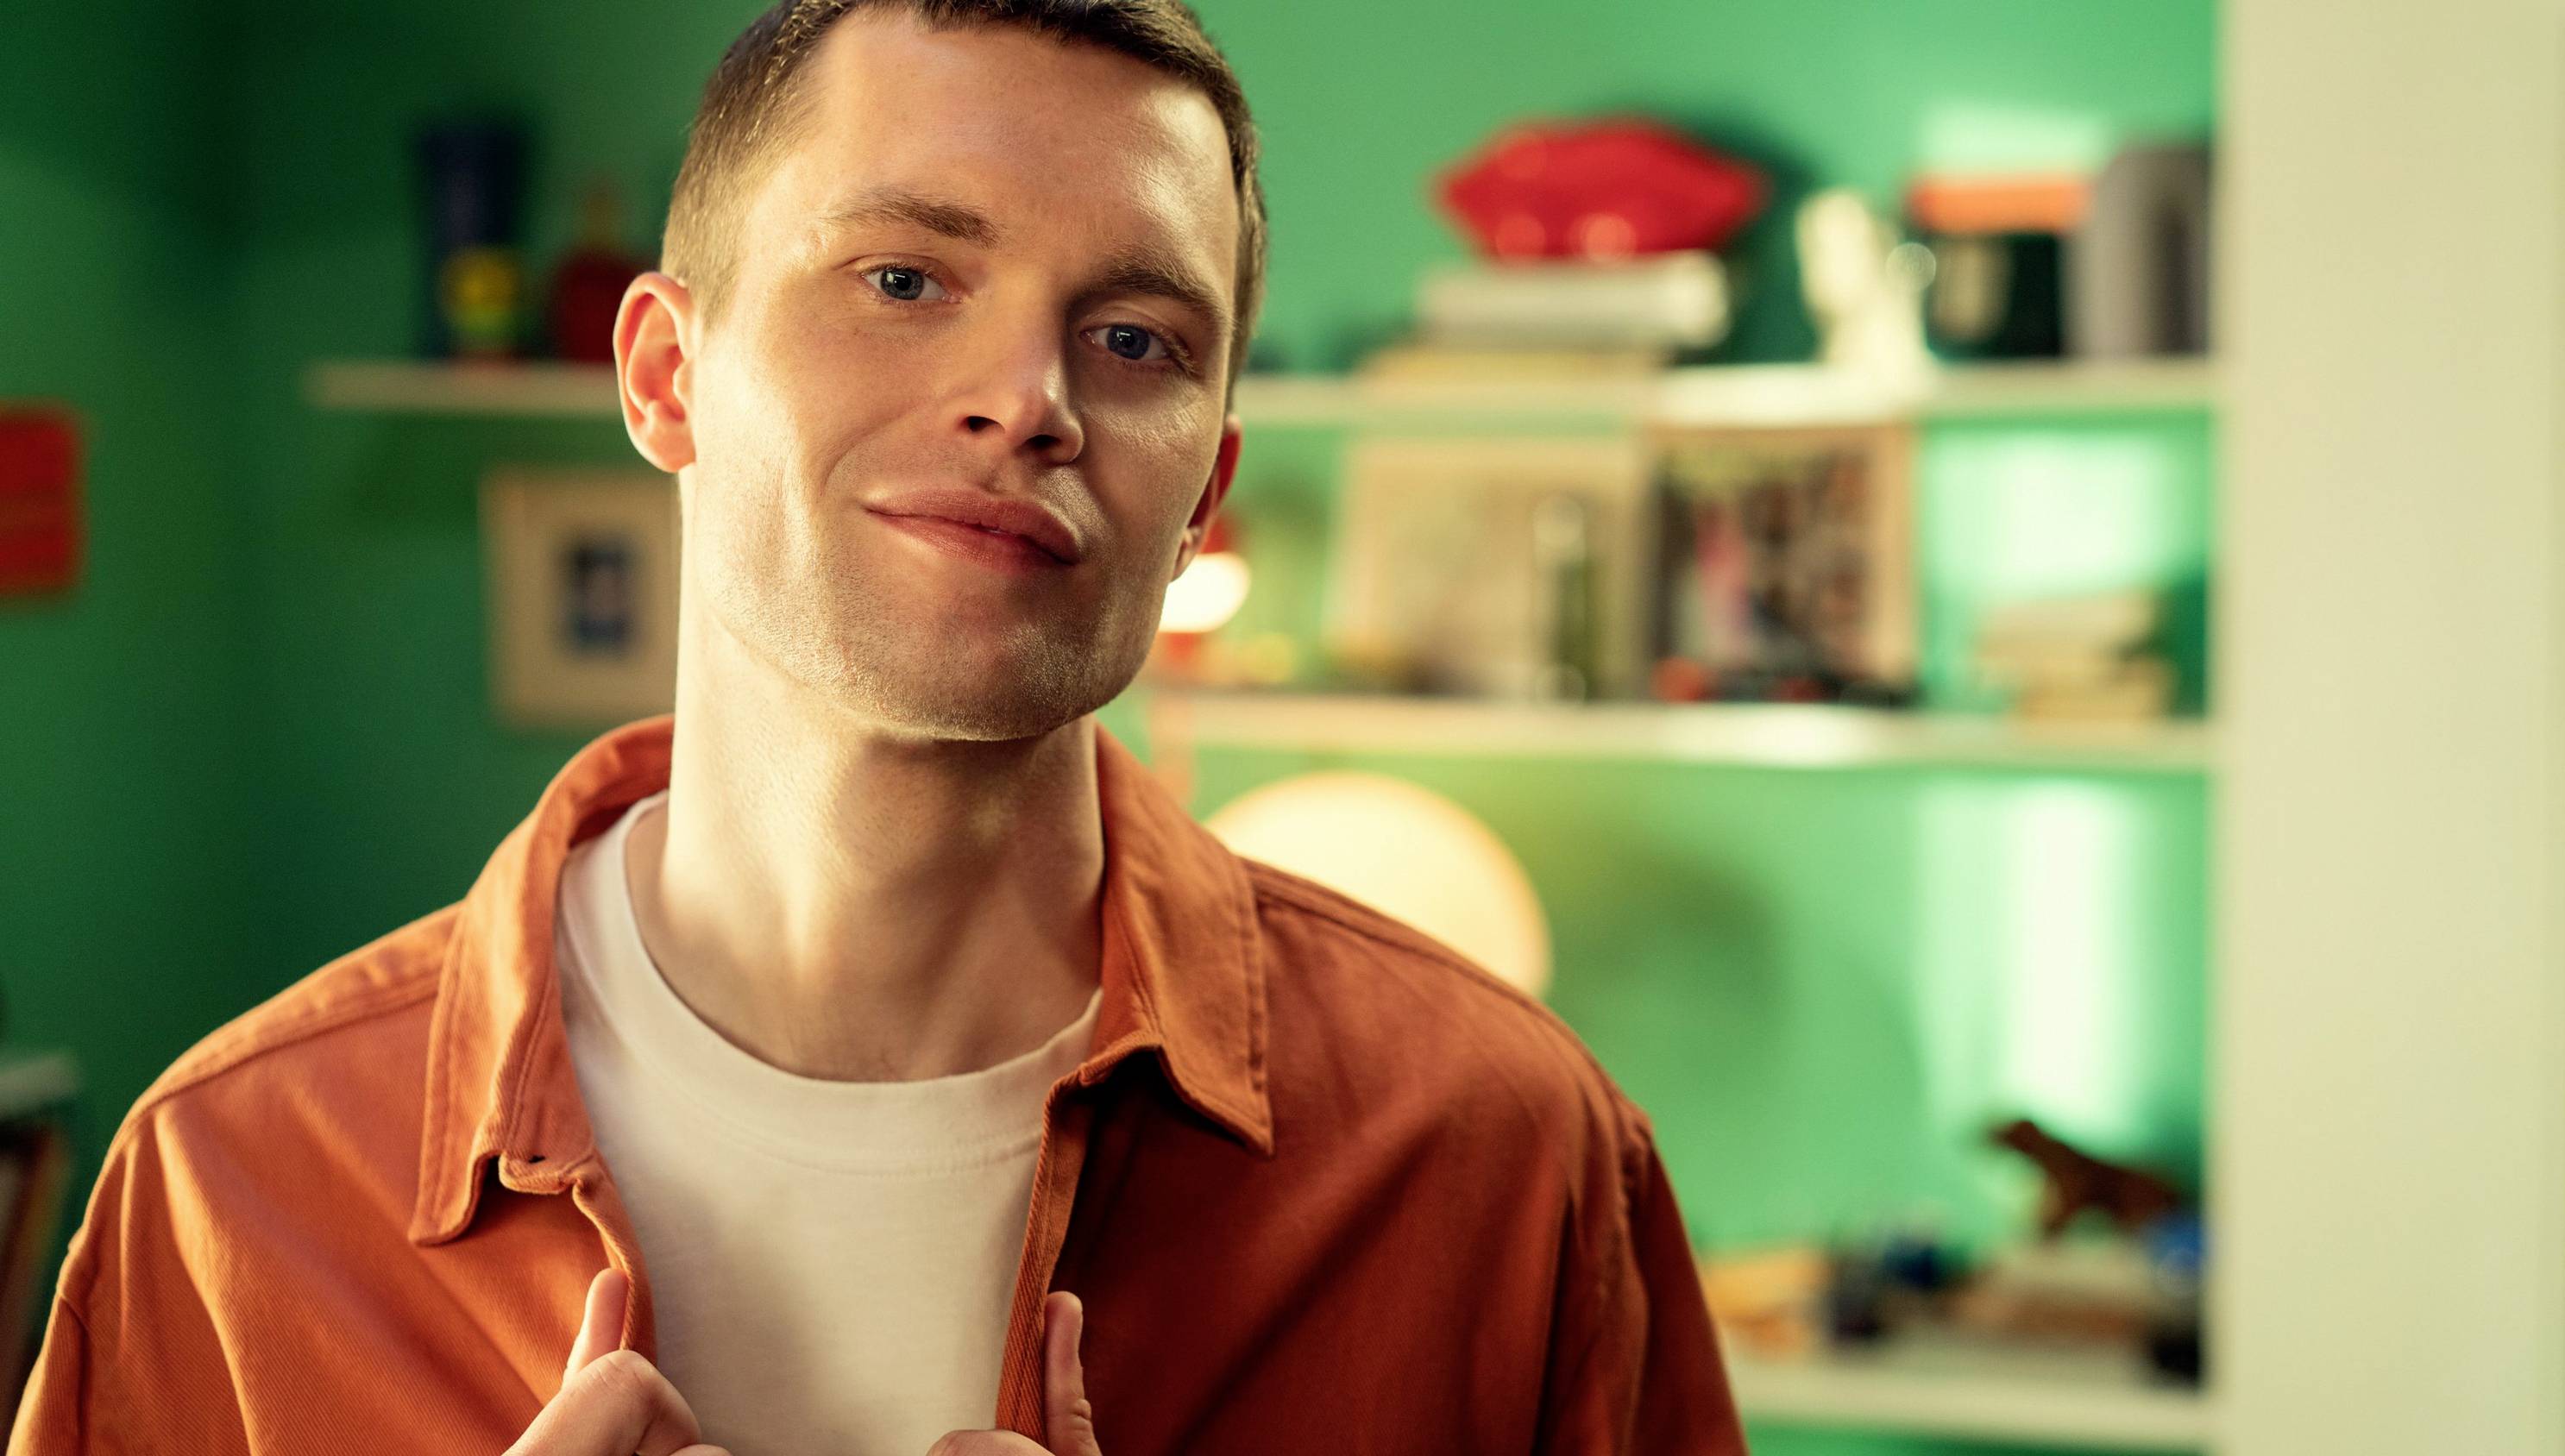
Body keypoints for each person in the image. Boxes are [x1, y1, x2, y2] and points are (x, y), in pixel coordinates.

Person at [6, 3, 1749, 1453]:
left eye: (1135, 335)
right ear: (666, 378)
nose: (1029, 398)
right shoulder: (229, 1191)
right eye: (907, 279)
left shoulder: (1509, 1162)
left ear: (1204, 488)